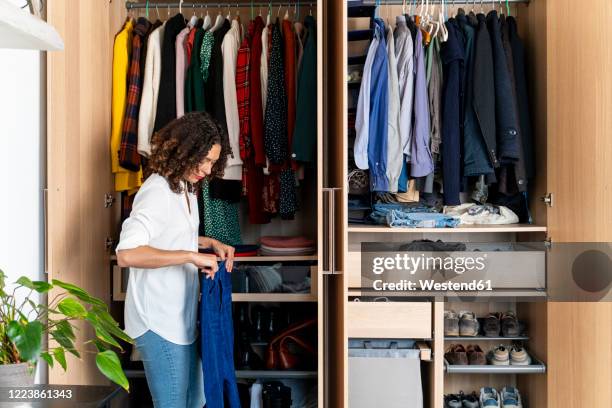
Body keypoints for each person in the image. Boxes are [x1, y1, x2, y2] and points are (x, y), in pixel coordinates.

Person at [116, 112, 235, 408]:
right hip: (157, 320)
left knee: (196, 400)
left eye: (212, 162)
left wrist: (208, 243)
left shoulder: (184, 188)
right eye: (204, 160)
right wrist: (190, 256)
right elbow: (127, 253)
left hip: (180, 317)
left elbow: (168, 234)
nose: (208, 170)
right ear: (184, 150)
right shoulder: (156, 191)